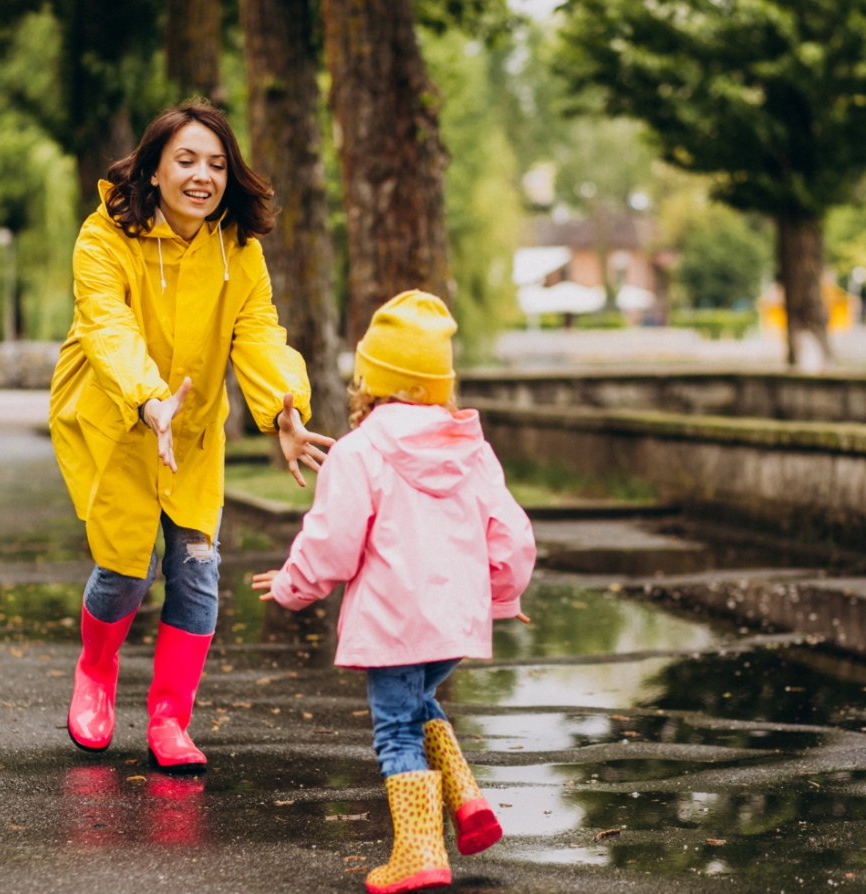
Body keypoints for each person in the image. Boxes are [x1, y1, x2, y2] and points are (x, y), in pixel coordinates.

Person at [50, 100, 334, 772]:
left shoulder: (240, 251)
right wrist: (149, 400)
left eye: (215, 163)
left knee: (197, 573)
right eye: (186, 160)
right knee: (125, 571)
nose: (202, 175)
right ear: (151, 170)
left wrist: (283, 410)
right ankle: (95, 669)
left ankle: (169, 720)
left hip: (195, 427)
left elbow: (258, 334)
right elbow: (107, 329)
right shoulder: (103, 239)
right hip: (118, 416)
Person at [252, 291, 535, 894]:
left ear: (370, 382)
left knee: (397, 730)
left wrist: (290, 586)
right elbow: (511, 534)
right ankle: (466, 800)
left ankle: (419, 853)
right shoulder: (474, 450)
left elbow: (331, 541)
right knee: (418, 704)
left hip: (394, 625)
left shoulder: (360, 452)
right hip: (453, 626)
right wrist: (502, 595)